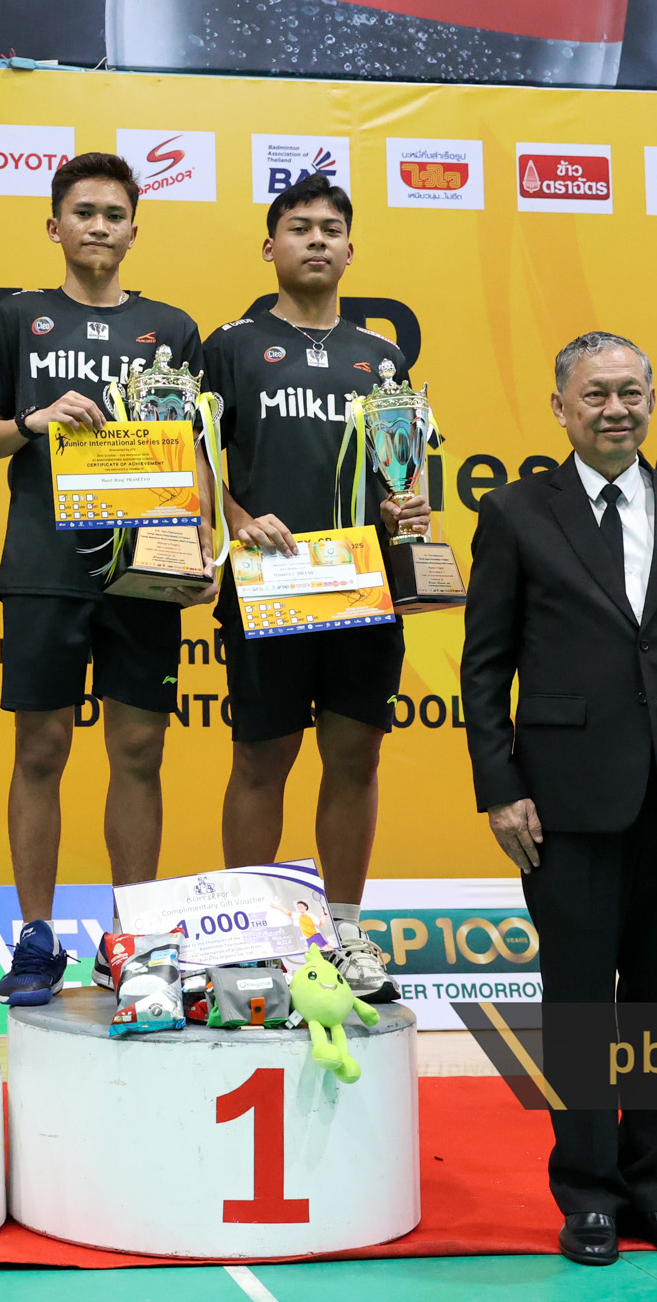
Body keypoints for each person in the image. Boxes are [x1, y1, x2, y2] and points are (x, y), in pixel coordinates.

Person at [460, 331, 657, 1268]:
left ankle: (655, 1186)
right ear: (560, 408)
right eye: (595, 394)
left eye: (631, 392)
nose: (615, 409)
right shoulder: (515, 512)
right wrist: (501, 788)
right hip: (564, 800)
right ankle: (588, 1192)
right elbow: (483, 666)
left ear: (652, 401)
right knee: (582, 1003)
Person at [0, 152, 216, 1006]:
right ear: (55, 226)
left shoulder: (172, 327)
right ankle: (36, 934)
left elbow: (193, 449)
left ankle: (131, 937)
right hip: (45, 565)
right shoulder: (18, 318)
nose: (99, 226)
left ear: (134, 229)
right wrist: (34, 419)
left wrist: (200, 545)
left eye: (113, 214)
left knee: (139, 751)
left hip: (145, 571)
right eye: (83, 212)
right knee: (40, 749)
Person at [207, 175, 428, 1003]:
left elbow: (398, 473)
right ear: (271, 246)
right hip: (266, 582)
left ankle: (343, 931)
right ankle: (248, 936)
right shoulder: (231, 345)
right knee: (260, 757)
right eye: (299, 227)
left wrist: (404, 507)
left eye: (331, 229)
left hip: (359, 586)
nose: (317, 240)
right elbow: (195, 463)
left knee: (355, 756)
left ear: (350, 249)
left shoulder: (381, 358)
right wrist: (236, 519)